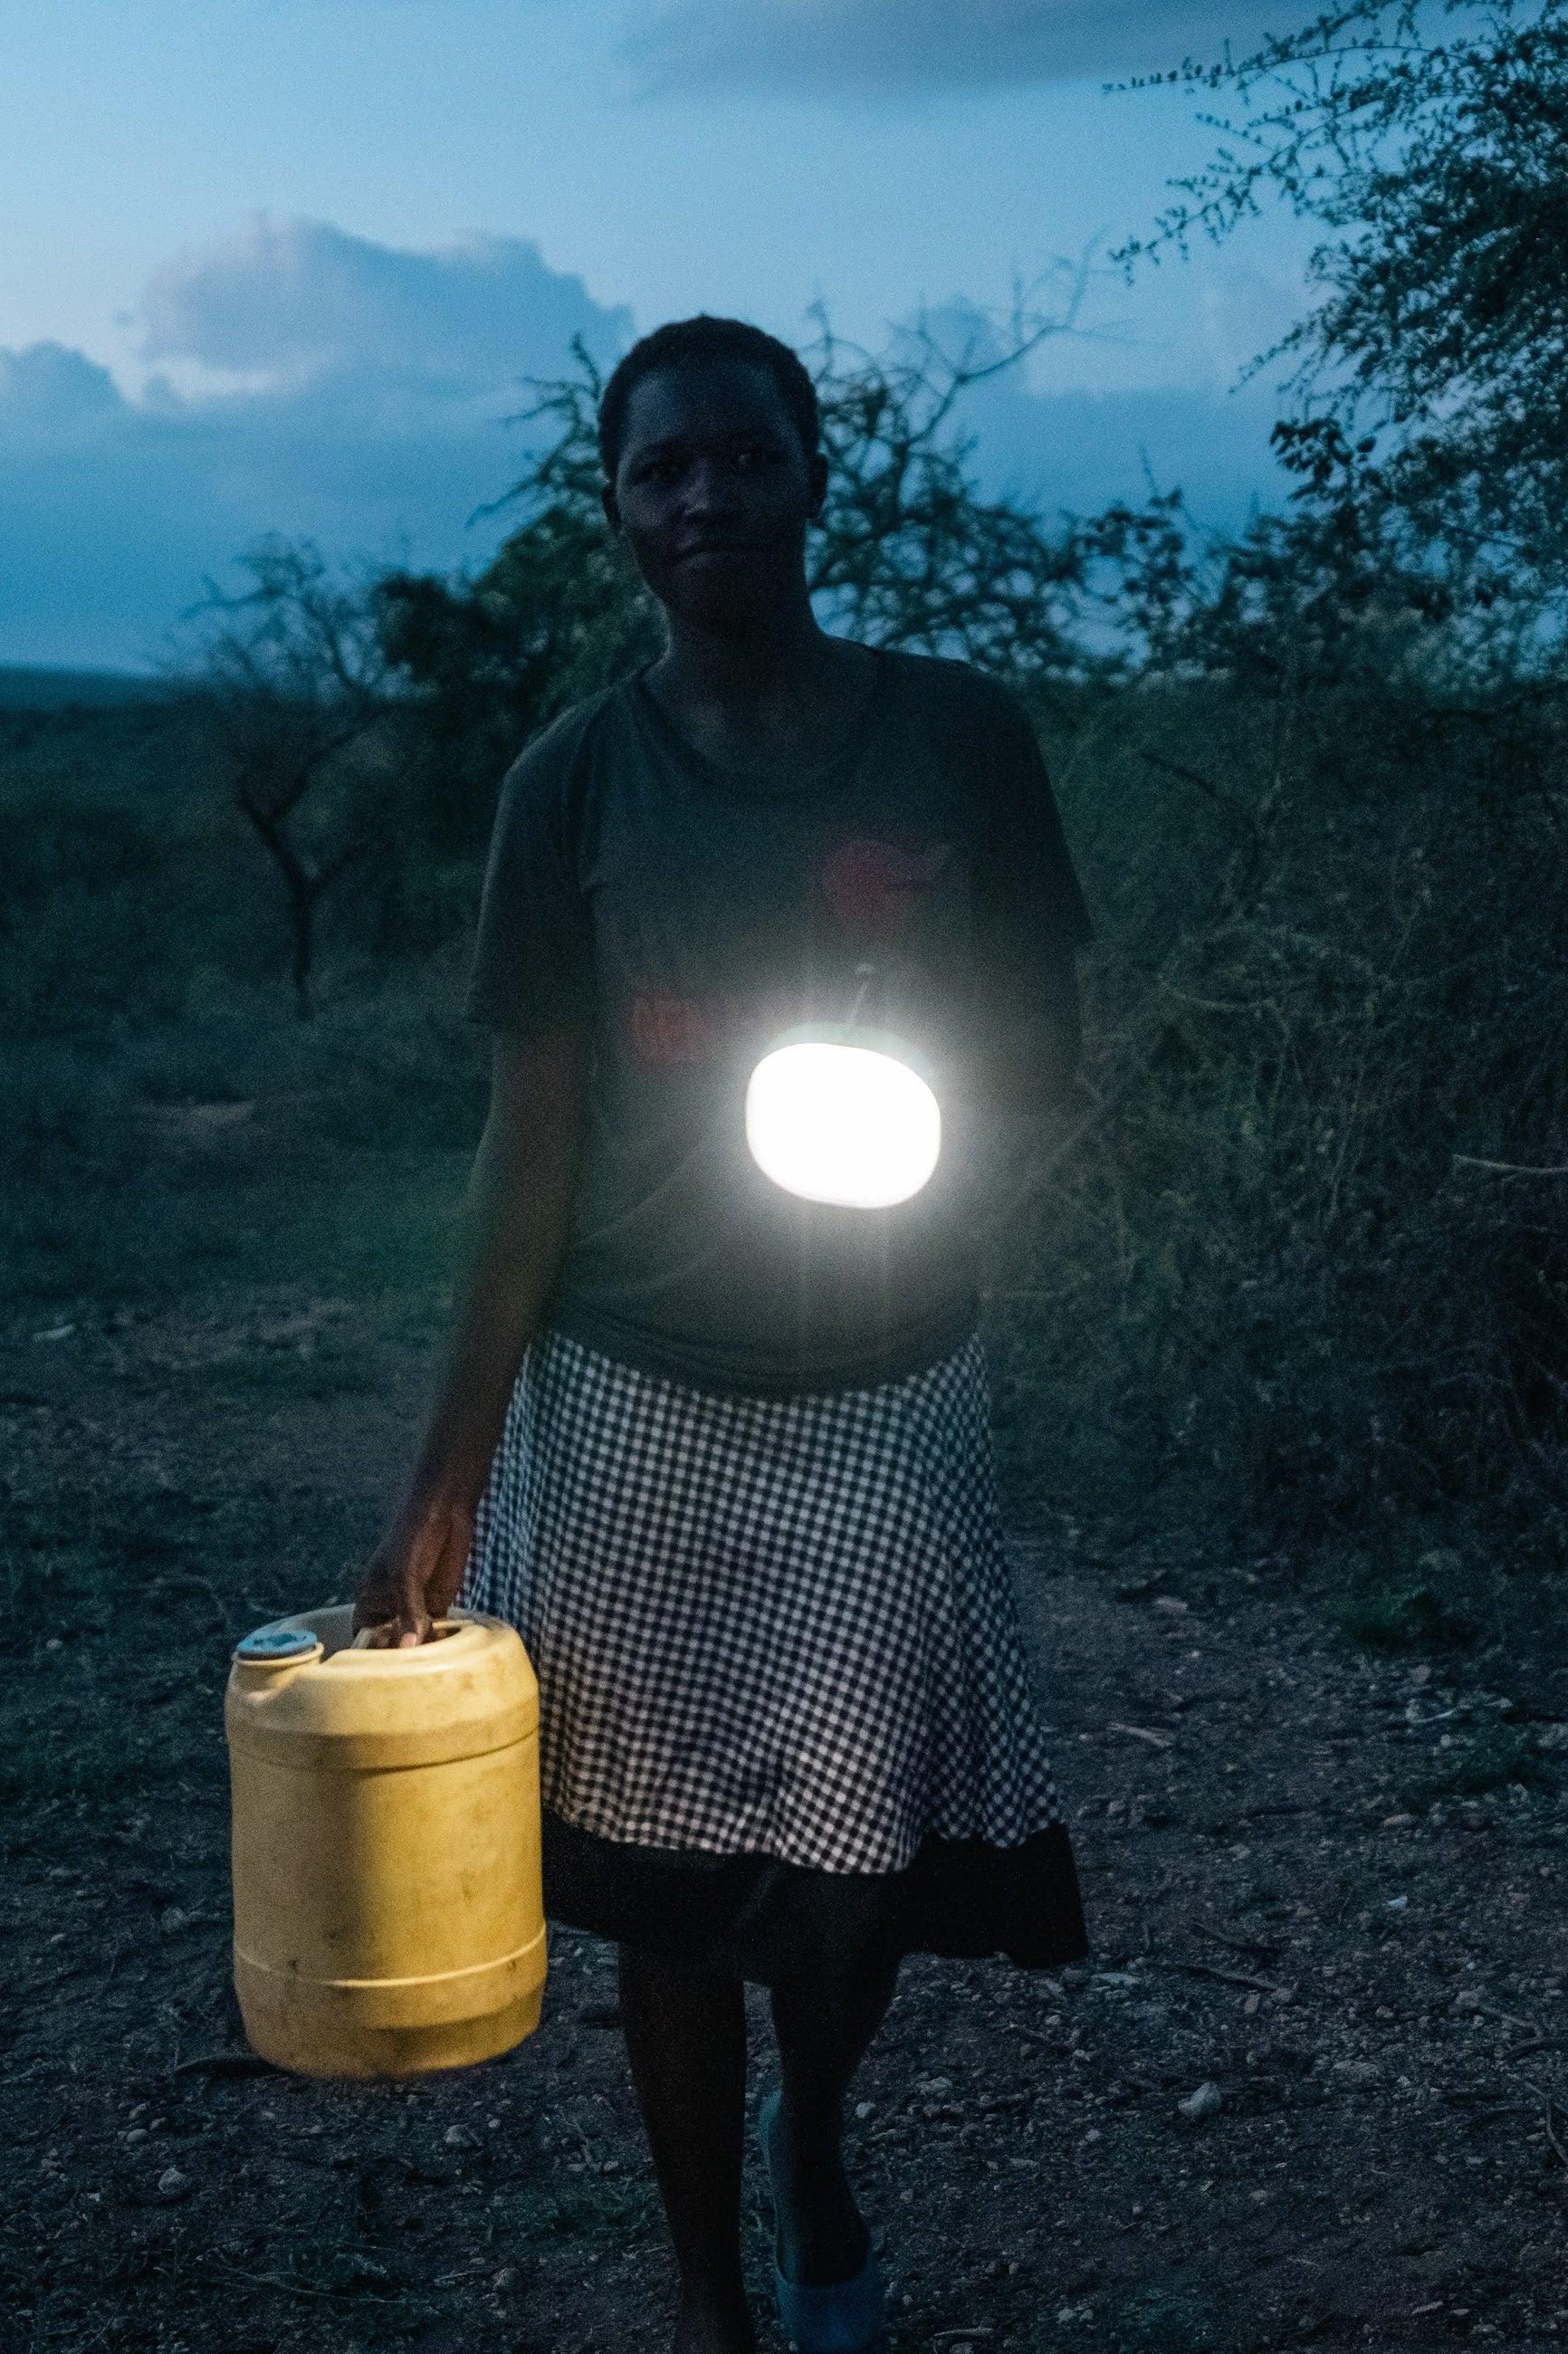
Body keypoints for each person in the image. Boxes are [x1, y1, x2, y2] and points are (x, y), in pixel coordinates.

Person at [351, 313, 1090, 2354]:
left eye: (740, 458)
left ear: (813, 471)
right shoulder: (569, 782)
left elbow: (1047, 1041)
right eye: (660, 470)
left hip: (886, 1382)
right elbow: (530, 1141)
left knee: (848, 1868)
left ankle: (817, 2147)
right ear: (617, 511)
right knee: (668, 1874)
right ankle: (704, 2293)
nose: (705, 499)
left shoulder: (960, 735)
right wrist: (449, 1469)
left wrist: (928, 1094)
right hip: (635, 1394)